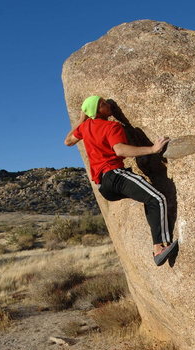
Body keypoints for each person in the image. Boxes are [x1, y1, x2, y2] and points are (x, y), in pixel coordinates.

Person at [64, 95, 178, 266]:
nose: (107, 104)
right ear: (96, 111)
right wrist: (153, 149)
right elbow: (120, 150)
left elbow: (68, 141)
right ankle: (159, 248)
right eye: (102, 104)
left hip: (104, 187)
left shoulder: (85, 127)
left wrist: (82, 118)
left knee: (149, 198)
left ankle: (160, 245)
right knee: (157, 198)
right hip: (114, 174)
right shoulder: (112, 126)